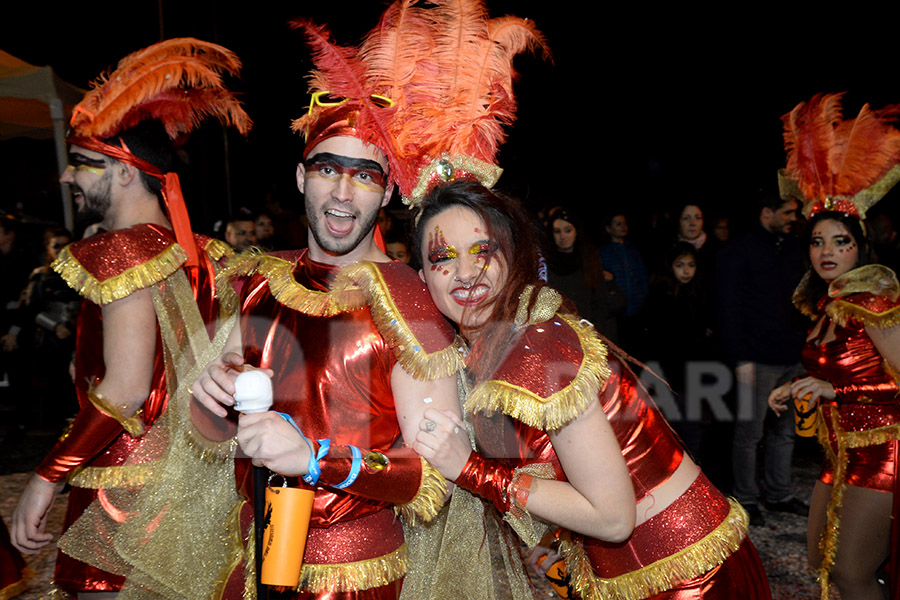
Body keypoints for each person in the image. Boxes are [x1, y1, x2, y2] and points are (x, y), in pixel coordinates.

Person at [191, 14, 461, 598]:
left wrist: (316, 460)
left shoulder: (408, 298)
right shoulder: (257, 282)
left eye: (365, 175)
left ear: (388, 192)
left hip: (356, 579)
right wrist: (210, 403)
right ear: (300, 177)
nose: (343, 192)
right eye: (327, 169)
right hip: (259, 555)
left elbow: (433, 474)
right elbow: (211, 438)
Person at [412, 179, 771, 600]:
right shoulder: (496, 339)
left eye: (482, 250)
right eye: (443, 257)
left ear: (509, 257)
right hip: (633, 572)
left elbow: (613, 518)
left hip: (685, 578)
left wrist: (471, 469)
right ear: (421, 278)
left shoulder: (536, 345)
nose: (467, 272)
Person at [10, 39, 251, 598]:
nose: (68, 177)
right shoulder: (203, 252)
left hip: (128, 490)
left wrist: (45, 478)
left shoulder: (121, 253)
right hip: (193, 484)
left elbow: (123, 391)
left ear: (122, 172)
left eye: (83, 163)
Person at [767, 93, 900, 600]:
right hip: (838, 451)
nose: (827, 251)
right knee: (822, 566)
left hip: (882, 453)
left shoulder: (875, 299)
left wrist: (834, 389)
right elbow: (834, 376)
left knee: (853, 574)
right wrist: (794, 386)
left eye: (839, 241)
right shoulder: (824, 305)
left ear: (859, 246)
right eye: (818, 241)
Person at [717, 191, 807, 525]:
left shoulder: (794, 248)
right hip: (756, 359)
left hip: (792, 355)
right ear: (766, 212)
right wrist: (740, 359)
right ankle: (746, 498)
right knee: (749, 432)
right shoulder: (739, 251)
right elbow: (729, 309)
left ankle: (779, 494)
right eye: (787, 212)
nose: (792, 218)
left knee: (785, 431)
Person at [545, 208, 622, 343]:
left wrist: (592, 332)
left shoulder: (588, 259)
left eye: (568, 230)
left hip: (586, 335)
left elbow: (600, 301)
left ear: (576, 231)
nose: (563, 236)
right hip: (555, 335)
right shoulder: (546, 263)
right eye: (557, 231)